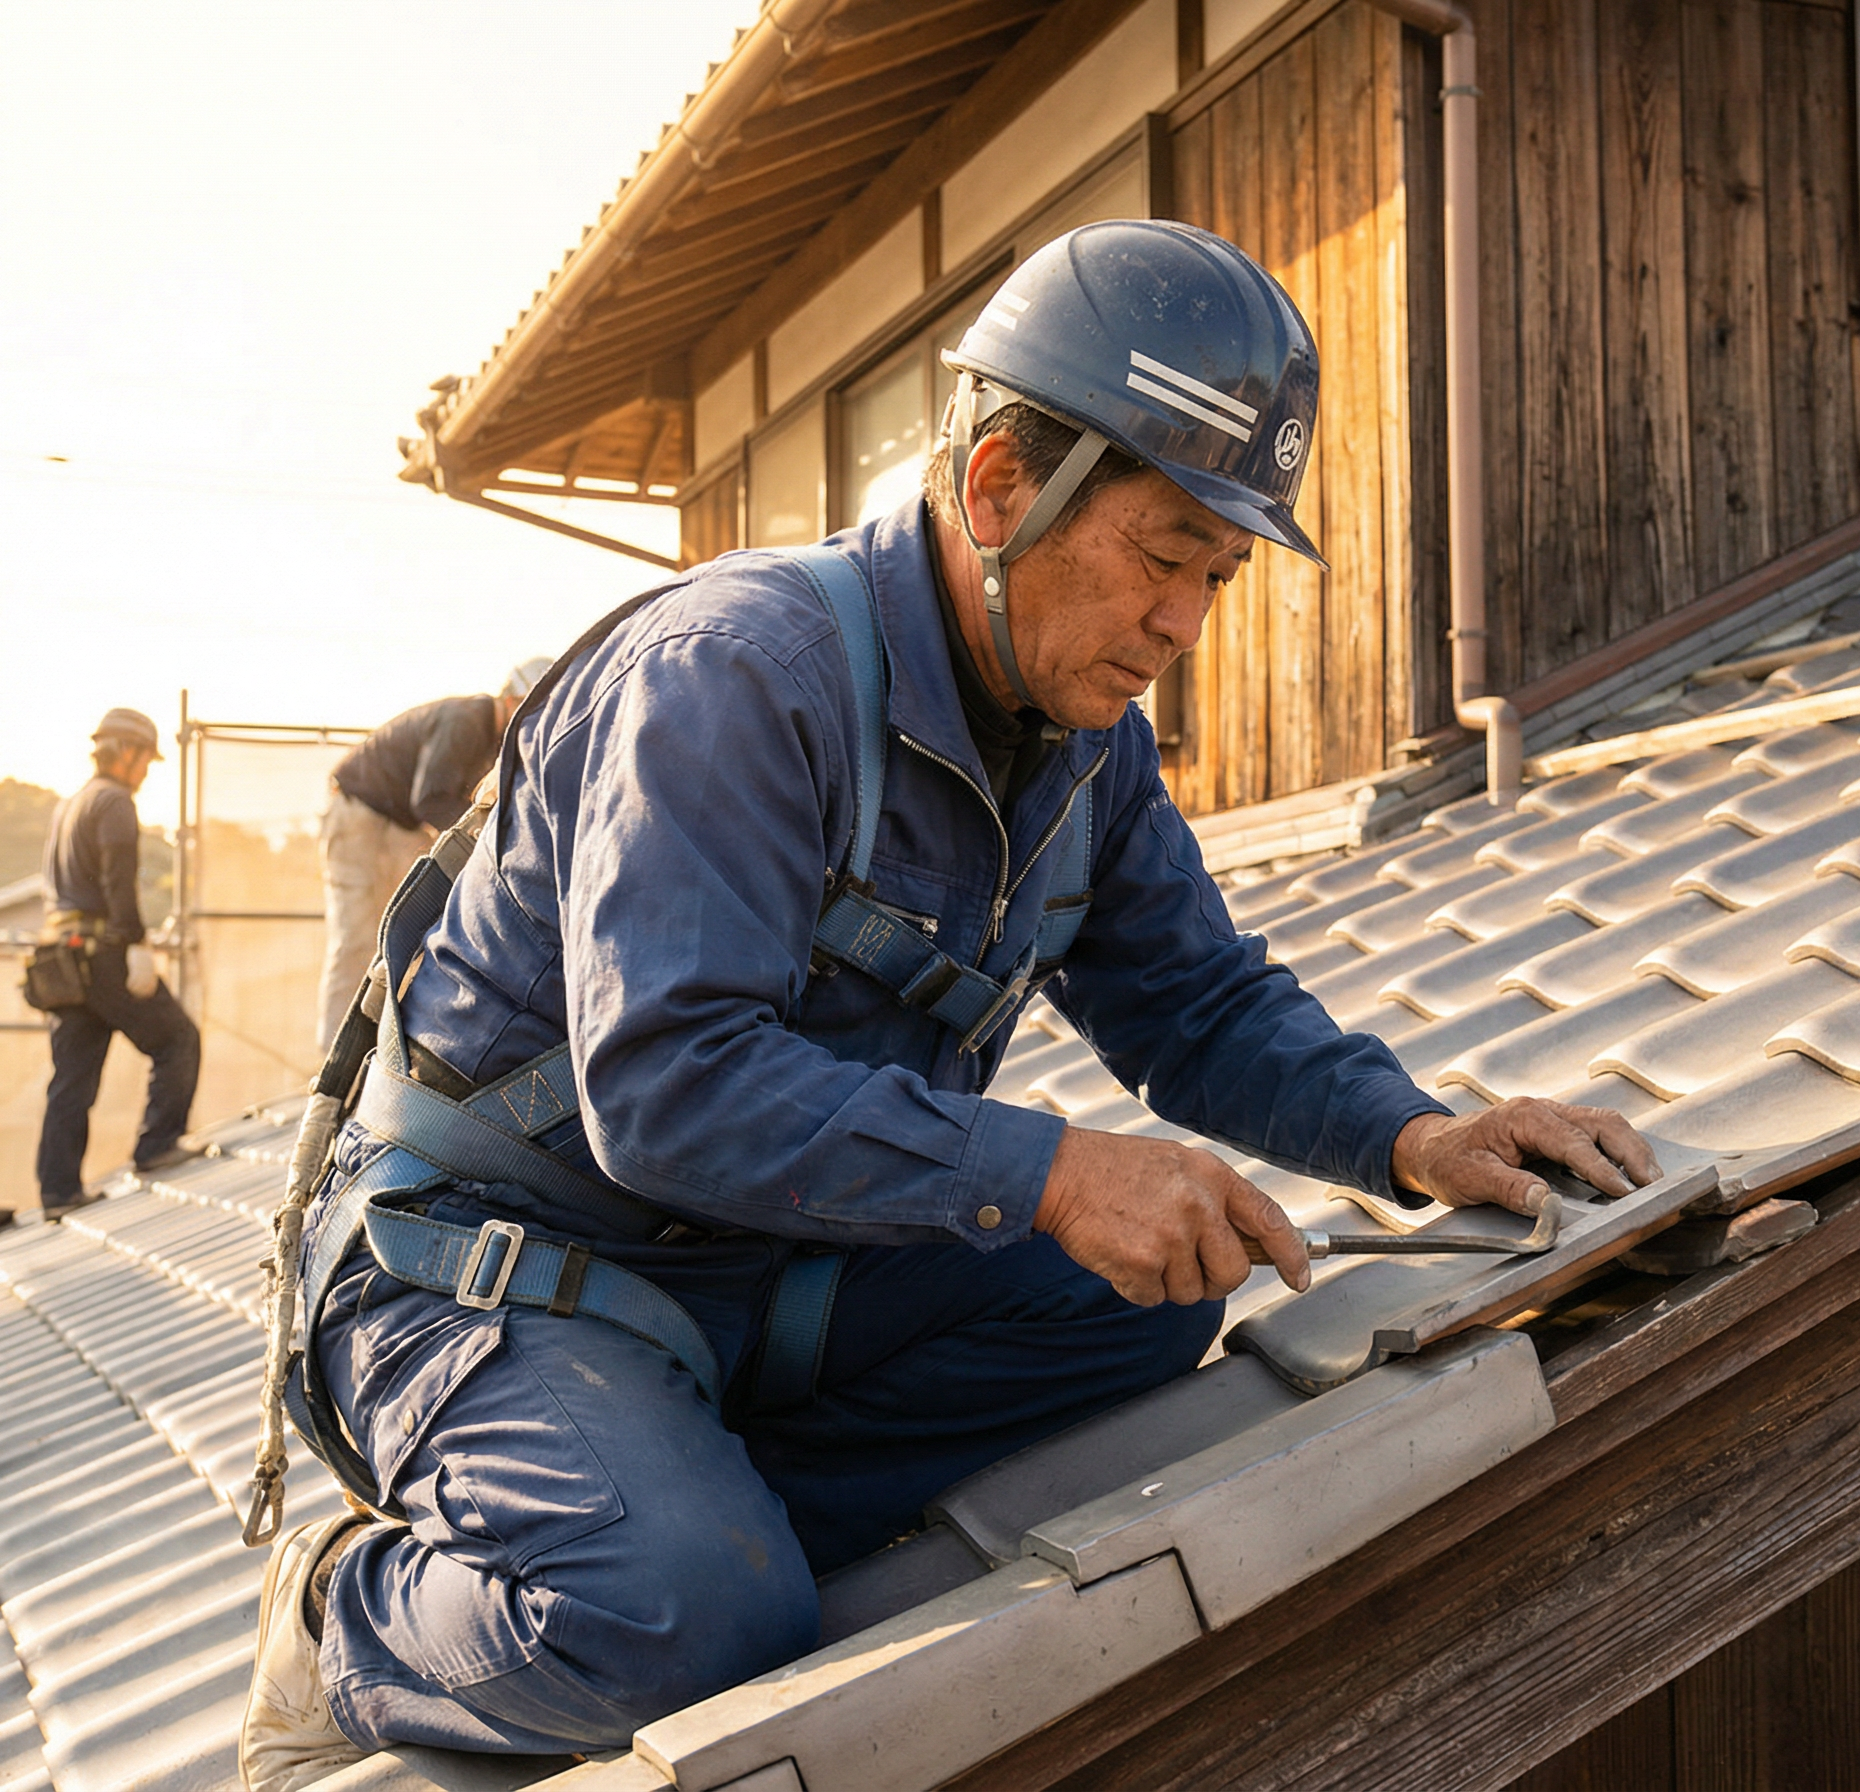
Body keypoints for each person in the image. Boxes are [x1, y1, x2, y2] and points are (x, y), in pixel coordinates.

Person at [241, 222, 1660, 1789]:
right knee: (685, 1625)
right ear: (998, 488)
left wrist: (1415, 1136)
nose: (1186, 624)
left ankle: (690, 1492)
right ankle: (340, 1619)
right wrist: (1045, 1172)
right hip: (491, 1274)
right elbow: (668, 1087)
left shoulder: (1084, 746)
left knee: (1169, 1277)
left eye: (1221, 575)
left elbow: (1195, 1004)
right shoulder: (734, 679)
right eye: (1164, 555)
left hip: (754, 1266)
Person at [313, 661, 552, 1050]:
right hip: (361, 817)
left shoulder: (492, 740)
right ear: (511, 700)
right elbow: (429, 799)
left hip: (396, 822)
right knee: (355, 937)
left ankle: (389, 1050)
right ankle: (333, 1064)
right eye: (532, 711)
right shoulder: (467, 720)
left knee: (413, 932)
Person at [32, 708, 201, 1220]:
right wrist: (135, 945)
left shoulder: (72, 803)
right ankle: (156, 1148)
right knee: (177, 1039)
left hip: (64, 958)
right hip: (103, 953)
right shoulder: (114, 804)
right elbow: (117, 883)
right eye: (144, 759)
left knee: (71, 1080)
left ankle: (58, 1192)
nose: (146, 770)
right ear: (125, 752)